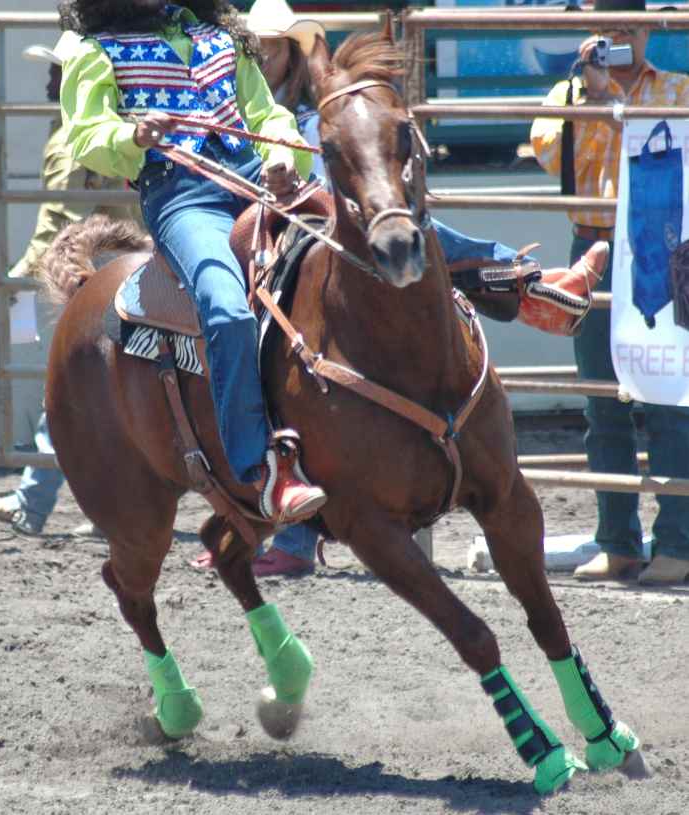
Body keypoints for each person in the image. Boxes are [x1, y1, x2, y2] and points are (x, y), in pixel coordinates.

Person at [216, 0, 609, 577]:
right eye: (262, 48)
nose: (266, 57)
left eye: (276, 47)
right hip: (273, 211)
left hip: (303, 201)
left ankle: (521, 283)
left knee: (380, 214)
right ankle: (521, 284)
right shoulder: (260, 102)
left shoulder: (309, 111)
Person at [58, 0, 329, 526]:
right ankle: (263, 468)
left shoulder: (223, 40)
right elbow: (86, 135)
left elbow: (266, 116)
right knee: (226, 311)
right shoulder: (93, 52)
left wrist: (283, 153)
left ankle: (507, 276)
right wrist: (132, 136)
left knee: (369, 233)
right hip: (183, 195)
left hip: (256, 176)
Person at [531, 0, 689, 585]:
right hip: (595, 245)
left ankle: (676, 541)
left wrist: (611, 104)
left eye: (630, 23)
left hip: (661, 247)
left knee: (667, 393)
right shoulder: (566, 95)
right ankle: (617, 540)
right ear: (592, 34)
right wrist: (587, 93)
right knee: (603, 402)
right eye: (609, 26)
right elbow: (551, 157)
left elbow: (668, 155)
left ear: (648, 29)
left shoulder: (677, 90)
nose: (621, 34)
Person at [0, 31, 134, 538]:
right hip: (96, 277)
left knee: (66, 389)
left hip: (78, 283)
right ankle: (106, 508)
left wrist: (22, 275)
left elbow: (67, 220)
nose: (49, 79)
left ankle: (34, 502)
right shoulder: (83, 127)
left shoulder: (78, 134)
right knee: (93, 392)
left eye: (57, 70)